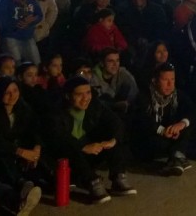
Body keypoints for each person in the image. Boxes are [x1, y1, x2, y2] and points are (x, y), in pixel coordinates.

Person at [44, 76, 135, 204]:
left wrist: (112, 140)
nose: (85, 98)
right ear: (67, 96)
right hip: (68, 157)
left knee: (113, 140)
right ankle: (92, 181)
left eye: (88, 93)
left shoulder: (95, 105)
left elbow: (115, 122)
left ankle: (118, 176)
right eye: (79, 94)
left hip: (91, 150)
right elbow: (58, 138)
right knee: (72, 150)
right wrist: (83, 146)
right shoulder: (57, 112)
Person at [0, 77, 48, 206]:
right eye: (7, 92)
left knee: (40, 157)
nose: (12, 95)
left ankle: (40, 180)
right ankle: (21, 184)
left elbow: (33, 130)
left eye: (15, 90)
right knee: (2, 156)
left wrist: (36, 148)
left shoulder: (23, 108)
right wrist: (20, 151)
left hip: (18, 149)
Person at [132, 63, 194, 176]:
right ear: (154, 81)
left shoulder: (177, 95)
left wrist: (181, 124)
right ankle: (176, 156)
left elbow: (190, 110)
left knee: (187, 127)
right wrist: (162, 130)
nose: (170, 84)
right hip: (153, 136)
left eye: (172, 79)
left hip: (171, 134)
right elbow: (142, 120)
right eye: (165, 80)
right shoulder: (144, 96)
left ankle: (175, 158)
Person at [0, 0, 43, 64]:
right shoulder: (5, 1)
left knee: (36, 63)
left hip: (28, 36)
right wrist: (18, 24)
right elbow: (1, 22)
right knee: (15, 64)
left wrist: (32, 20)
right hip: (11, 37)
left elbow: (39, 14)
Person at [90, 48, 139, 116]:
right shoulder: (92, 78)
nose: (115, 64)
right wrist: (114, 105)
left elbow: (134, 93)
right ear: (101, 63)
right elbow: (94, 103)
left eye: (117, 60)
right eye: (110, 61)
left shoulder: (123, 74)